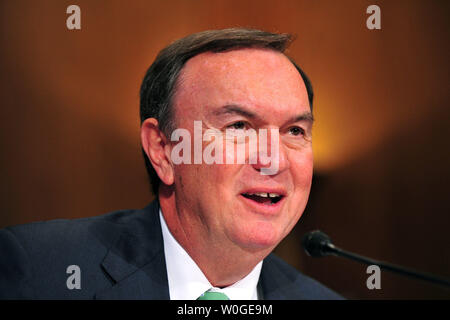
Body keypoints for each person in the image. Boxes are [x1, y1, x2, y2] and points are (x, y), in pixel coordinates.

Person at [0, 28, 343, 300]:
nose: (273, 160)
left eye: (295, 131)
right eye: (238, 126)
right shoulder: (39, 269)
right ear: (163, 150)